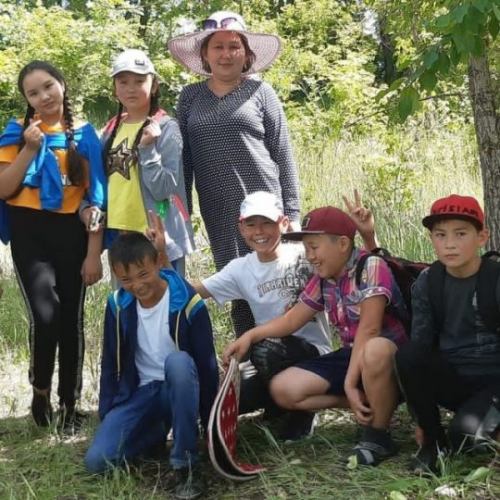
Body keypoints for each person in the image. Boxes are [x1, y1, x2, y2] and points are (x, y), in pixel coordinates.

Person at [223, 205, 408, 465]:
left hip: (389, 358)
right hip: (352, 354)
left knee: (375, 349)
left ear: (342, 244)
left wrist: (349, 383)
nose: (309, 256)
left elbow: (370, 330)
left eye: (314, 247)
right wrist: (250, 336)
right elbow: (291, 320)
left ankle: (377, 436)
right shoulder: (324, 278)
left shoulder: (370, 266)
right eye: (306, 248)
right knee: (283, 389)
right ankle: (372, 402)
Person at [191, 190, 379, 440]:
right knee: (224, 397)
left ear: (283, 222)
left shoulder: (307, 254)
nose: (260, 231)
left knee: (265, 350)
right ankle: (282, 403)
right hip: (269, 356)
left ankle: (303, 413)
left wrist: (367, 235)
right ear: (241, 228)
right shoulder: (240, 269)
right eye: (251, 224)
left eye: (267, 223)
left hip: (311, 351)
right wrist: (158, 266)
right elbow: (194, 290)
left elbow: (369, 266)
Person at [168, 10, 300, 335]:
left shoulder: (262, 93)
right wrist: (180, 215)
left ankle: (290, 352)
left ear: (246, 53)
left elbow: (283, 155)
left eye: (233, 46)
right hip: (219, 208)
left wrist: (293, 213)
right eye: (218, 47)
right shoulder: (190, 97)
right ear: (205, 54)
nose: (226, 54)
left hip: (265, 206)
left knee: (279, 281)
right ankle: (248, 353)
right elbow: (183, 161)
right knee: (236, 283)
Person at [0, 60, 106, 429]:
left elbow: (96, 199)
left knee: (71, 320)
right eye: (33, 93)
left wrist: (93, 253)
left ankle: (69, 404)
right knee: (46, 316)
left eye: (48, 86)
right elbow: (4, 188)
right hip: (29, 233)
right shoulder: (17, 131)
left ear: (62, 84)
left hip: (71, 233)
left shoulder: (85, 135)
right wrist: (29, 149)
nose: (43, 96)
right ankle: (40, 390)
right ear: (26, 99)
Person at [85, 232, 218, 499]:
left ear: (158, 262)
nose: (137, 285)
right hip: (140, 393)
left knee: (178, 362)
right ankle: (155, 435)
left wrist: (210, 426)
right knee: (97, 462)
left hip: (179, 388)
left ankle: (186, 465)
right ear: (116, 276)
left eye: (143, 274)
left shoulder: (188, 302)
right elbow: (109, 363)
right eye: (126, 279)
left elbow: (207, 365)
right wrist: (108, 415)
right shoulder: (117, 306)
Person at [395, 194, 500, 474]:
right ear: (432, 239)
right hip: (455, 378)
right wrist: (421, 420)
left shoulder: (495, 278)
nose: (449, 244)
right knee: (408, 355)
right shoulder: (429, 281)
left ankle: (476, 426)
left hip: (494, 380)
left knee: (466, 438)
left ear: (482, 237)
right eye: (440, 235)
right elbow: (421, 345)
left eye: (460, 234)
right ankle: (432, 443)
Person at [82, 48, 194, 276]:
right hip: (120, 237)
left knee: (167, 296)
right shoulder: (112, 128)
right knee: (126, 297)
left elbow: (164, 189)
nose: (131, 88)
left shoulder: (166, 128)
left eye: (139, 81)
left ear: (154, 86)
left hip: (158, 238)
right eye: (123, 82)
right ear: (114, 88)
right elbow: (98, 179)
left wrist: (147, 149)